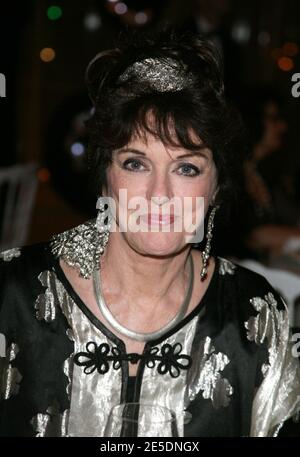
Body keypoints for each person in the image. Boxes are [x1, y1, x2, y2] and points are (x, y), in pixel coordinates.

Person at [0, 28, 299, 437]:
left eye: (186, 168)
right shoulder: (10, 295)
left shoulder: (258, 318)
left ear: (215, 189)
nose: (160, 195)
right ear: (105, 178)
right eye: (135, 163)